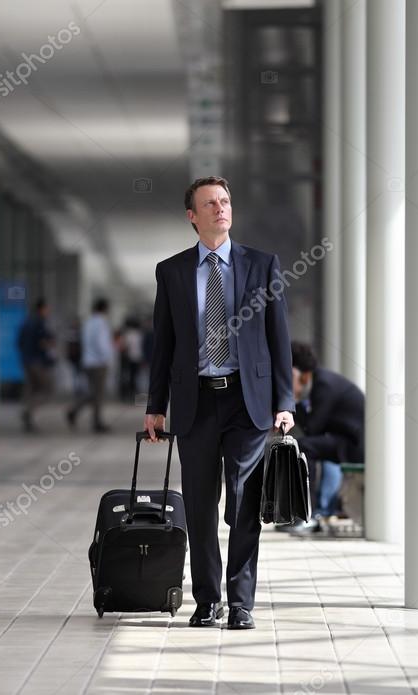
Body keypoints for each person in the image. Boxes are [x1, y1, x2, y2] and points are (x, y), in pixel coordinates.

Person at [143, 176, 294, 630]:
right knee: (200, 506)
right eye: (210, 203)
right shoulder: (171, 272)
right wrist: (155, 404)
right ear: (192, 215)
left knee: (244, 504)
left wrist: (284, 401)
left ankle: (241, 601)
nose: (220, 208)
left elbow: (278, 338)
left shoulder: (262, 265)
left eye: (226, 201)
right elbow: (163, 344)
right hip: (195, 405)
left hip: (248, 405)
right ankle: (207, 600)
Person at [288, 341, 365, 534]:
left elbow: (313, 428)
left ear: (303, 375)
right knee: (302, 446)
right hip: (347, 442)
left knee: (302, 447)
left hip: (356, 446)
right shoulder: (321, 382)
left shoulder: (324, 385)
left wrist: (289, 404)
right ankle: (304, 513)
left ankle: (308, 515)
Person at [67, 298, 114, 433]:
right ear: (104, 308)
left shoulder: (88, 322)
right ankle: (96, 421)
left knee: (94, 393)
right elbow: (101, 343)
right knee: (97, 394)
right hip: (98, 363)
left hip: (88, 362)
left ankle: (75, 412)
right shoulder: (101, 323)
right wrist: (107, 358)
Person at [17, 298, 56, 432]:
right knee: (47, 389)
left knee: (32, 389)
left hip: (26, 360)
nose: (48, 311)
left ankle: (29, 419)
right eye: (47, 309)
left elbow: (19, 341)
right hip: (36, 361)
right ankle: (28, 411)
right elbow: (45, 341)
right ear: (42, 309)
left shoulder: (26, 321)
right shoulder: (40, 322)